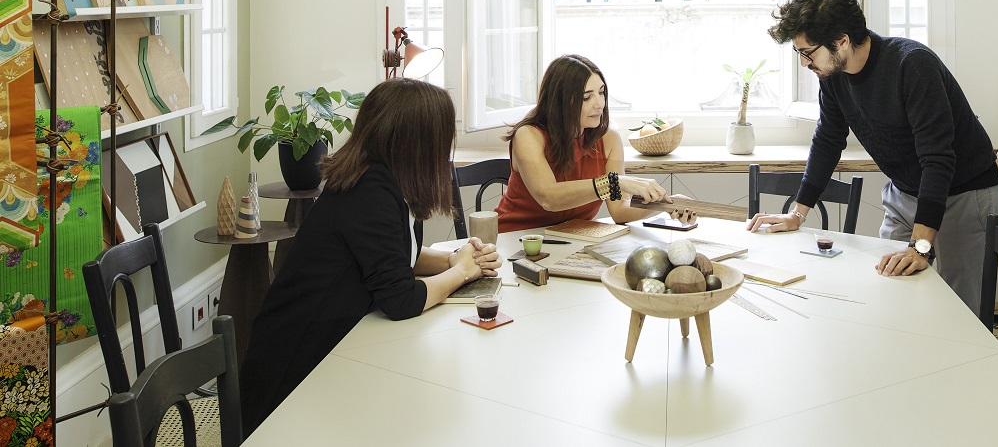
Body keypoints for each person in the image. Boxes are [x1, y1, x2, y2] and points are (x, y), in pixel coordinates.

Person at [241, 78, 501, 435]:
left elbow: (395, 257)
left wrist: (453, 259)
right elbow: (401, 299)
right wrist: (463, 273)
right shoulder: (369, 191)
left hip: (334, 341)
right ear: (416, 140)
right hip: (297, 366)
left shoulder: (385, 180)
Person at [745, 0, 998, 314]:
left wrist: (921, 247)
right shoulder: (833, 76)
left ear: (842, 41)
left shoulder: (912, 65)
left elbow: (937, 161)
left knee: (960, 313)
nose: (805, 63)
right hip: (905, 193)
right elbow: (828, 139)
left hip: (963, 194)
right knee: (889, 295)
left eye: (808, 53)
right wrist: (797, 213)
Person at [495, 54, 696, 232]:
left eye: (601, 92)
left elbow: (620, 210)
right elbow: (548, 198)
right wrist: (613, 183)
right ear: (560, 101)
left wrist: (666, 204)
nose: (599, 103)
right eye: (586, 97)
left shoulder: (609, 139)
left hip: (569, 240)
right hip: (513, 240)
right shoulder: (529, 136)